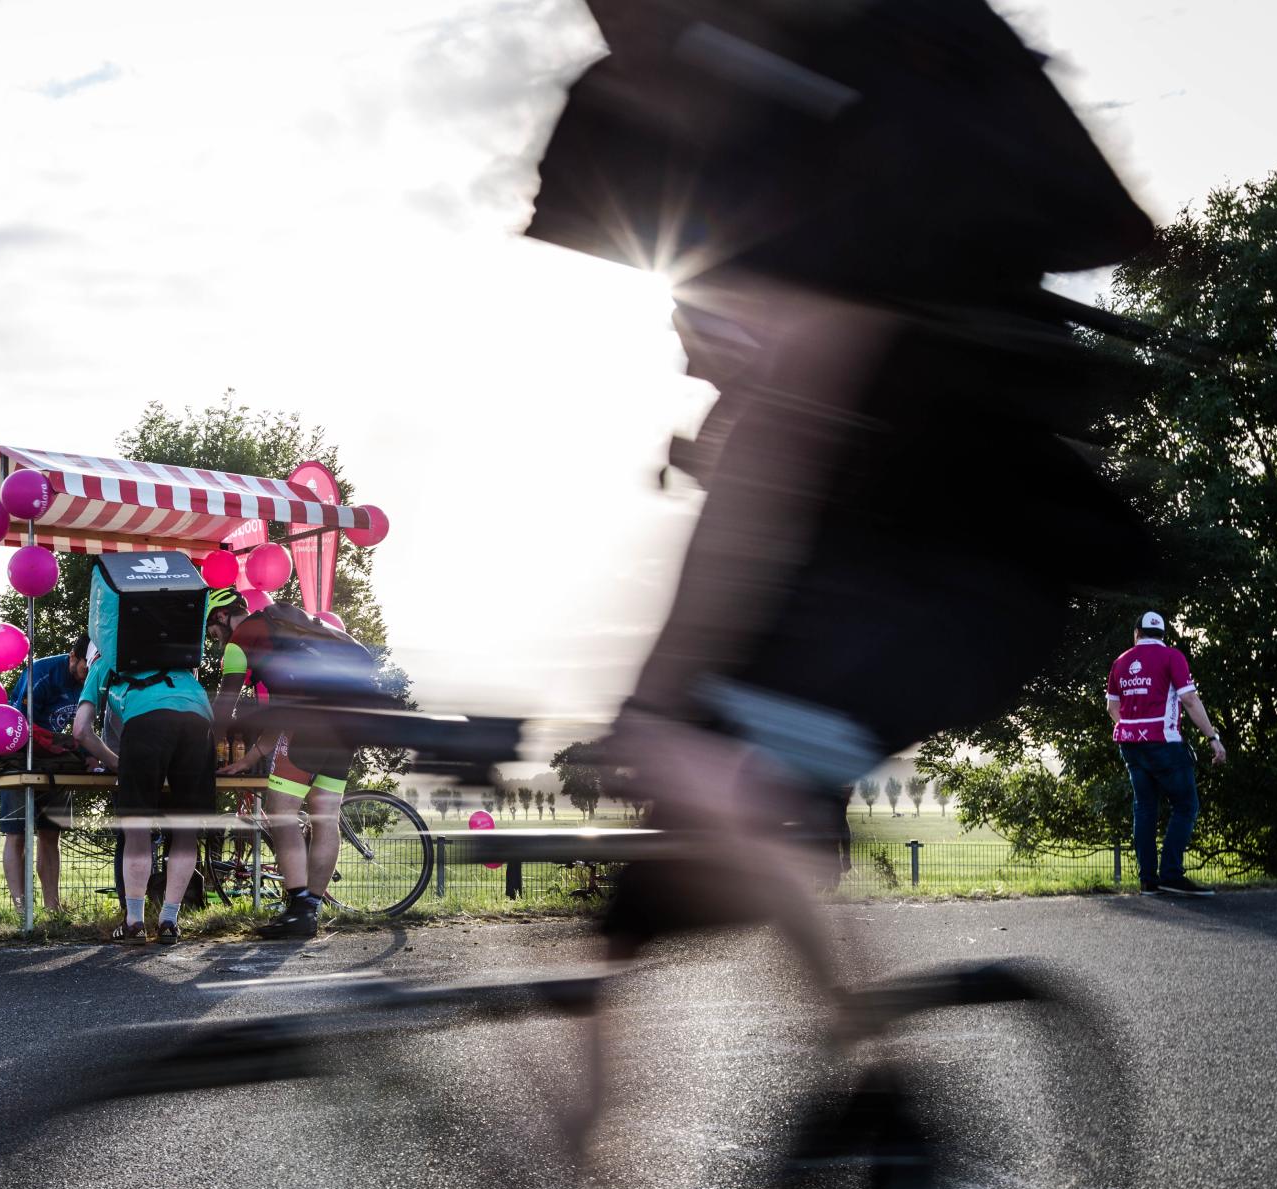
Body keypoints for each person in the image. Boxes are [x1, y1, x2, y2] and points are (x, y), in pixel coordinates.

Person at [522, 0, 1162, 1005]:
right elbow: (762, 463)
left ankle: (870, 1062)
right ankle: (818, 1047)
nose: (689, 348)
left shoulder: (854, 170)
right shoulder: (751, 162)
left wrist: (653, 699)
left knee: (732, 785)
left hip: (957, 578)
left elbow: (775, 455)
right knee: (637, 904)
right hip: (859, 567)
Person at [207, 589, 371, 939]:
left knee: (281, 812)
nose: (214, 639)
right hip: (348, 721)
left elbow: (224, 706)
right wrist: (250, 758)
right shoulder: (285, 627)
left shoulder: (240, 642)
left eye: (212, 630)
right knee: (325, 816)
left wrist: (205, 748)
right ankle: (309, 911)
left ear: (220, 616)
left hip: (309, 724)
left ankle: (298, 909)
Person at [72, 599, 215, 947]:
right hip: (200, 721)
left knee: (136, 829)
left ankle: (134, 922)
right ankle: (169, 921)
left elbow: (81, 731)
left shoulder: (104, 661)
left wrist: (116, 762)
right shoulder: (177, 656)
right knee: (186, 830)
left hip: (146, 722)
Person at [1107, 610, 1225, 897]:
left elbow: (1112, 708)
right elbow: (1189, 699)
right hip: (1164, 742)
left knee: (1145, 808)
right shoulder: (1172, 657)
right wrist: (1213, 737)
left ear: (1137, 634)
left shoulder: (1120, 662)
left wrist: (1134, 730)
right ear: (1162, 634)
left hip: (1131, 746)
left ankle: (1148, 881)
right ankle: (1171, 874)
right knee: (1186, 805)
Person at [0, 633, 92, 914]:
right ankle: (21, 909)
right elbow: (20, 722)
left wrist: (86, 755)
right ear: (73, 657)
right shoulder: (41, 673)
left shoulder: (91, 678)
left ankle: (53, 908)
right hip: (20, 759)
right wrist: (59, 744)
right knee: (17, 834)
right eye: (86, 668)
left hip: (57, 764)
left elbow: (85, 726)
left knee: (51, 835)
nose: (88, 675)